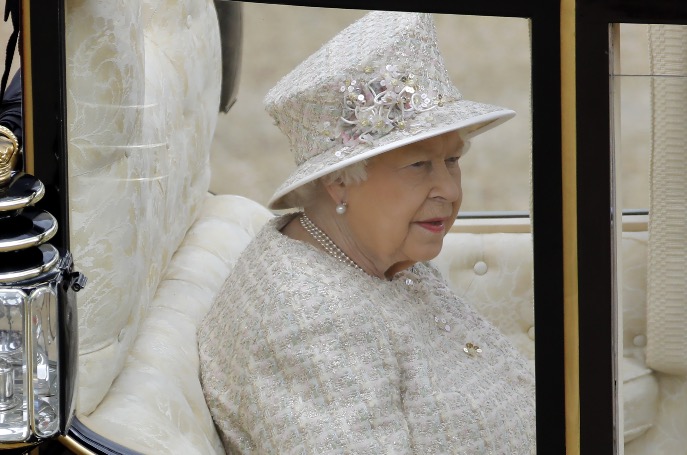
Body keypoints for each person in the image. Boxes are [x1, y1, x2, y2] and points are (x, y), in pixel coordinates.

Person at [198, 10, 536, 454]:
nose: (450, 190)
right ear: (339, 180)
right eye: (418, 165)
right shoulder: (310, 324)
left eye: (452, 160)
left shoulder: (377, 251)